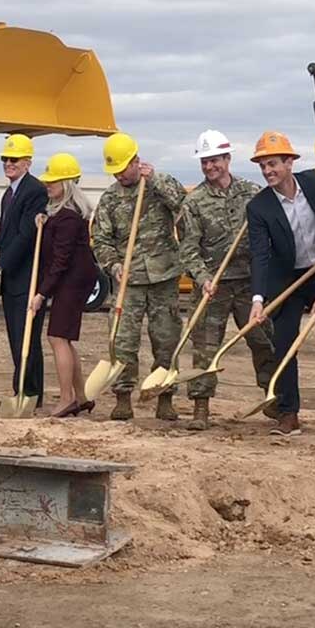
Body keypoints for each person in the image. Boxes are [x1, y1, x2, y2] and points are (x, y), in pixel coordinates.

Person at [244, 130, 315, 438]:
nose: (267, 172)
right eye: (263, 166)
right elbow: (260, 256)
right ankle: (288, 414)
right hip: (288, 278)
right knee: (285, 343)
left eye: (273, 164)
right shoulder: (259, 207)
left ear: (290, 162)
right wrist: (258, 299)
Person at [177, 128, 276, 431]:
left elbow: (271, 232)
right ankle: (201, 407)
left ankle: (275, 400)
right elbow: (188, 248)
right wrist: (203, 277)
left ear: (227, 158)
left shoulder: (253, 193)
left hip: (250, 283)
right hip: (213, 286)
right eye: (204, 162)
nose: (209, 167)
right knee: (205, 346)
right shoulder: (194, 203)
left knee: (264, 341)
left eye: (215, 160)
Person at [90, 132, 188, 421]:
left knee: (166, 337)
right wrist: (113, 265)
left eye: (123, 168)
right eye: (115, 171)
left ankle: (165, 396)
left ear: (136, 161)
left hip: (163, 276)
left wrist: (155, 180)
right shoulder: (110, 198)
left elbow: (184, 208)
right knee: (122, 340)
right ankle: (122, 397)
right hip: (129, 280)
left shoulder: (161, 184)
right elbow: (102, 239)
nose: (120, 175)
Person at [32, 153, 100, 417]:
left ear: (68, 184)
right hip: (71, 280)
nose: (48, 185)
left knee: (57, 337)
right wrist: (44, 223)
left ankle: (67, 398)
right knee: (65, 339)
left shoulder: (70, 217)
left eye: (54, 181)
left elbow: (60, 261)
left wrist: (41, 294)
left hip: (73, 282)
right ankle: (81, 397)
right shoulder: (60, 214)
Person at [0, 134, 48, 405]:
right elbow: (12, 234)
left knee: (27, 339)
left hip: (27, 278)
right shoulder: (8, 193)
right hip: (12, 280)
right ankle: (20, 390)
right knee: (15, 338)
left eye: (14, 159)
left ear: (27, 162)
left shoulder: (35, 191)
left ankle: (30, 393)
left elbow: (26, 236)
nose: (8, 164)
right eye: (4, 159)